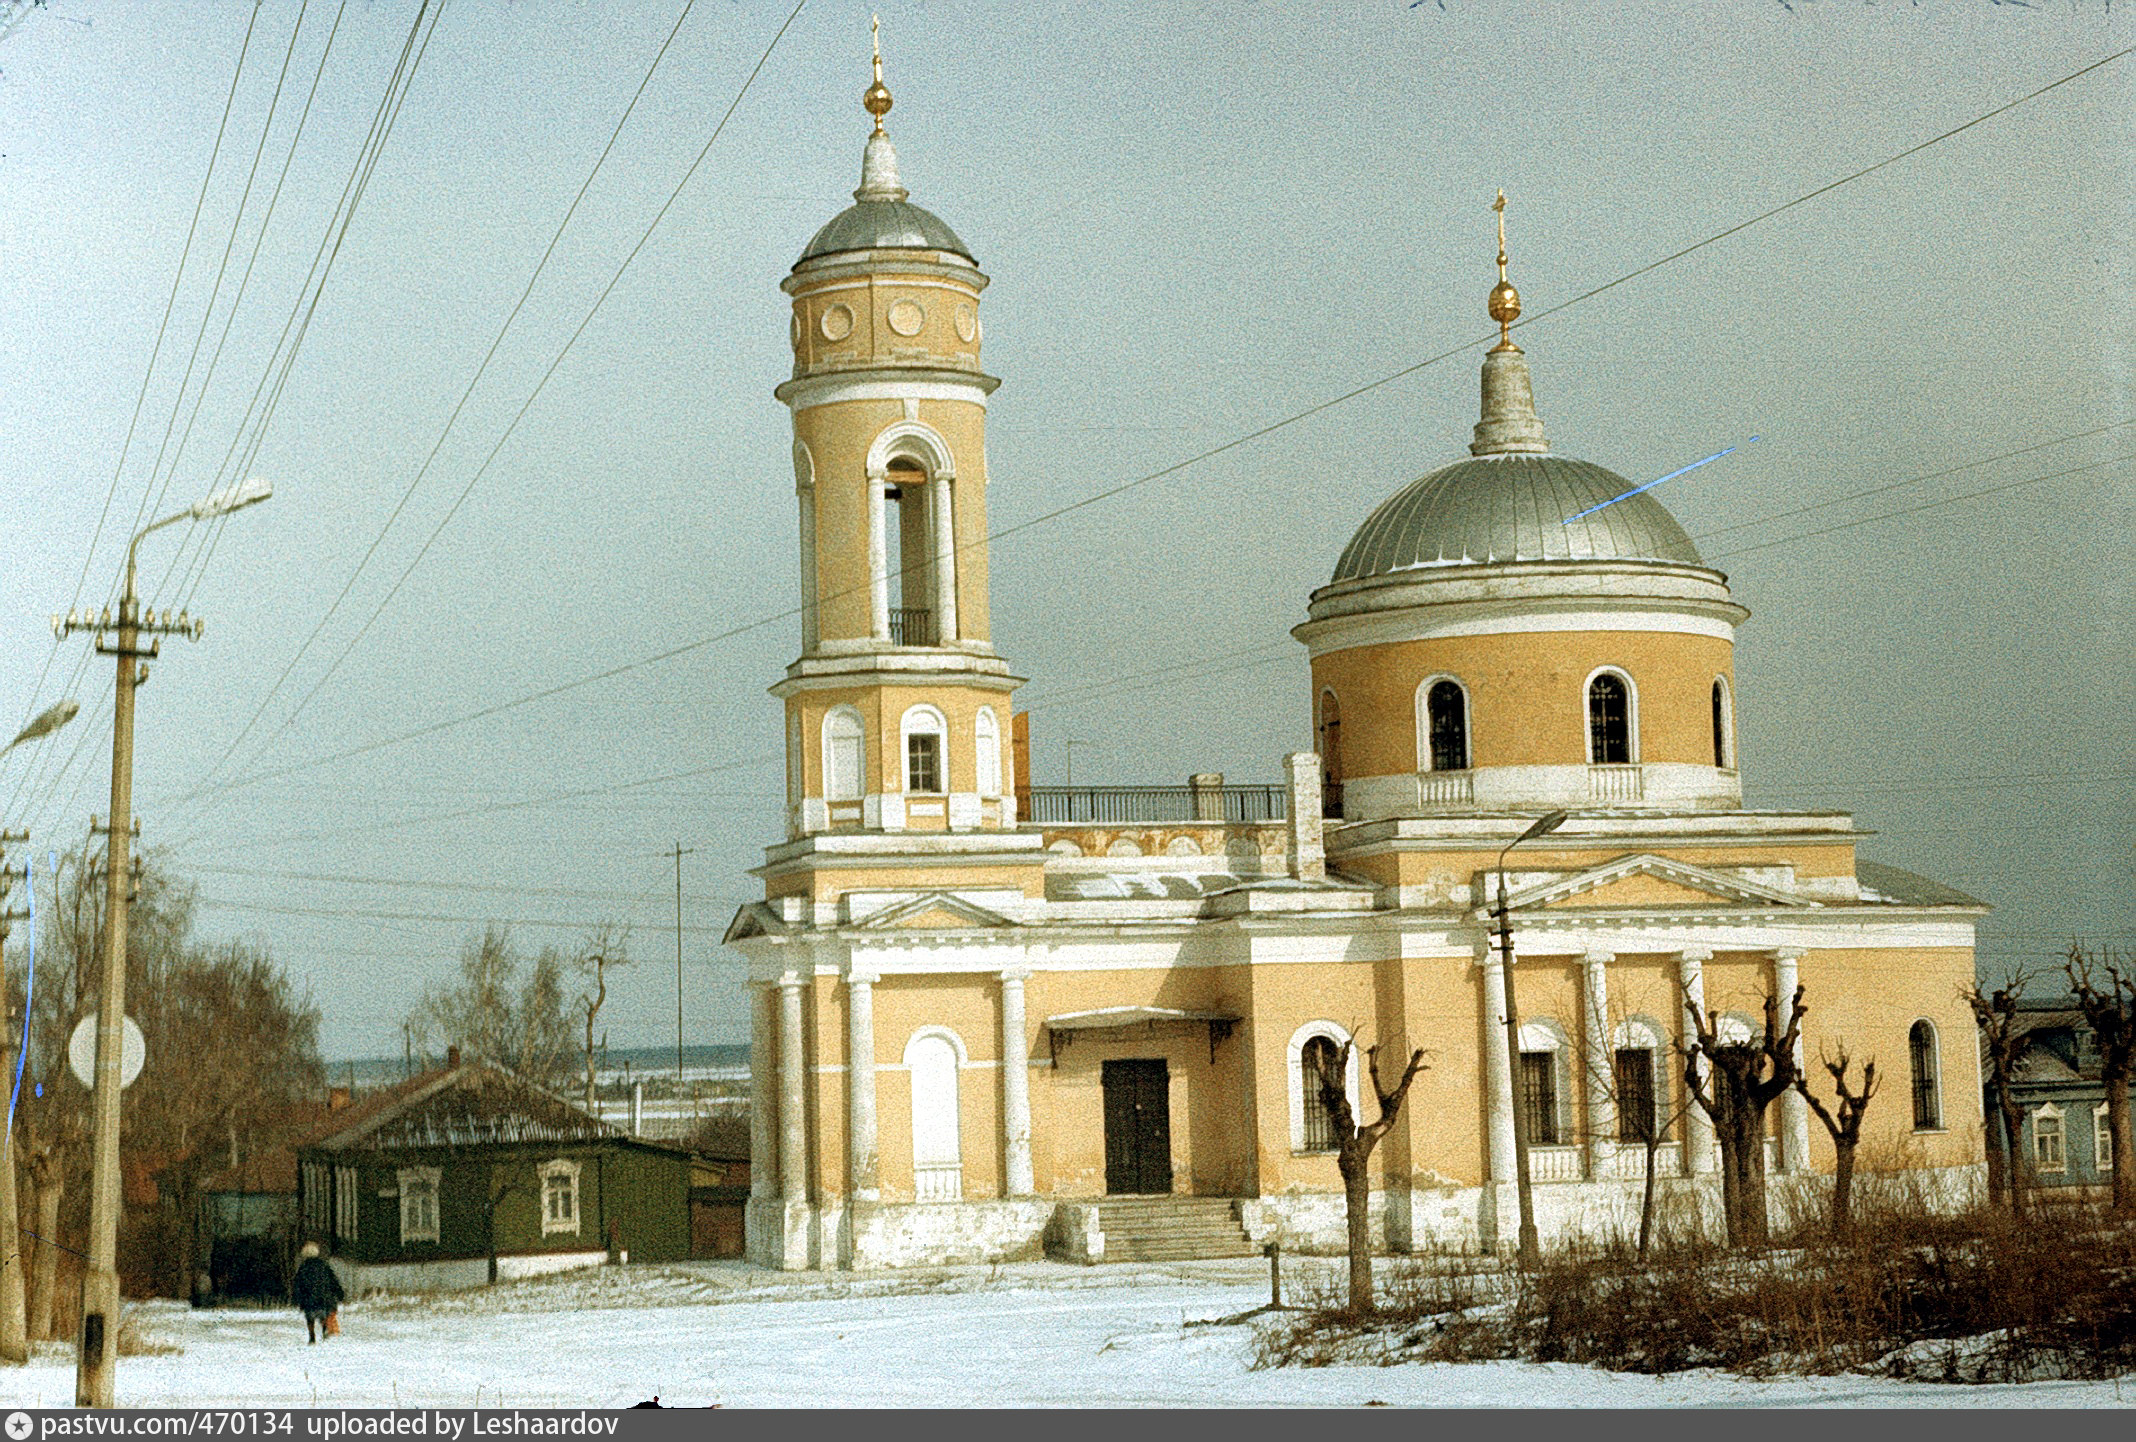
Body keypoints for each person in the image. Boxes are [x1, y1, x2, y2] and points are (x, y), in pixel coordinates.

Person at [292, 1242, 344, 1344]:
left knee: (310, 1318)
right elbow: (333, 1280)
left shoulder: (303, 1268)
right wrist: (339, 1293)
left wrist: (296, 1298)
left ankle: (312, 1336)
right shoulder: (324, 1265)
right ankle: (325, 1331)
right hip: (323, 1296)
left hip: (308, 1297)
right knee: (323, 1315)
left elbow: (298, 1284)